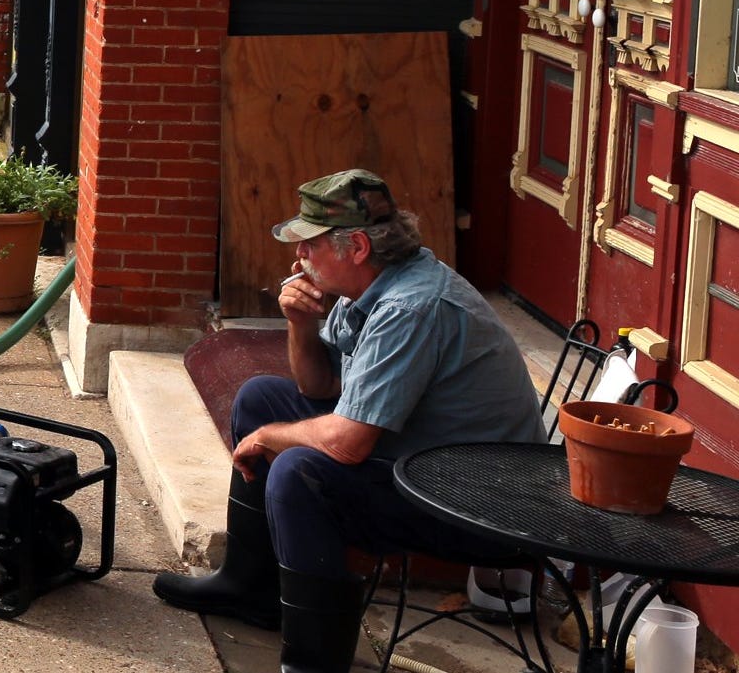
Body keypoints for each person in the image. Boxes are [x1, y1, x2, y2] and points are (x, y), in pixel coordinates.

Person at [151, 169, 544, 673]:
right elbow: (319, 387)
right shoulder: (374, 284)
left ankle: (313, 664)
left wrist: (271, 438)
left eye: (309, 245)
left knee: (299, 471)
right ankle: (249, 588)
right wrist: (300, 325)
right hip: (422, 464)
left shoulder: (411, 307)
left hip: (478, 507)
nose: (299, 258)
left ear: (356, 245)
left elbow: (350, 444)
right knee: (260, 398)